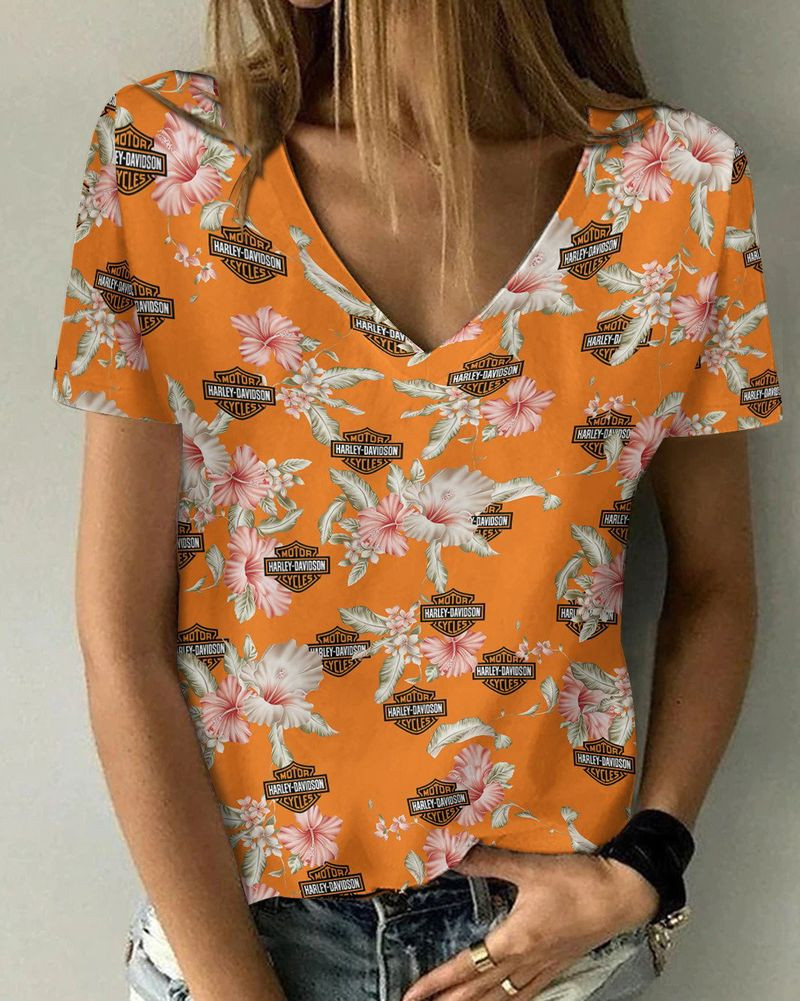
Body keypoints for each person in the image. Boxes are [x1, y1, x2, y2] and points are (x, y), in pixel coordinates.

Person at [50, 2, 785, 999]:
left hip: (538, 947)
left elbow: (715, 583)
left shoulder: (679, 184)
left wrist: (644, 870)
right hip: (238, 930)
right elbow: (118, 636)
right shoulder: (165, 159)